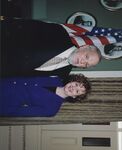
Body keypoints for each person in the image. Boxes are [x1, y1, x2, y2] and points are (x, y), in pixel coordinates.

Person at [1, 18, 101, 78]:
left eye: (86, 65)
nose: (83, 62)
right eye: (87, 57)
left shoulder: (63, 74)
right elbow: (24, 26)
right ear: (84, 47)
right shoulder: (59, 33)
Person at [0, 74, 91, 117]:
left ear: (74, 97)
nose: (73, 88)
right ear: (73, 80)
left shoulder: (52, 109)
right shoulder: (56, 78)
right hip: (5, 81)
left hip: (5, 100)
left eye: (77, 91)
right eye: (76, 84)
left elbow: (20, 112)